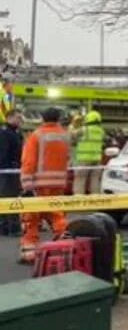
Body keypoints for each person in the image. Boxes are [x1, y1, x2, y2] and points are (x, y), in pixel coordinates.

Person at [18, 107, 71, 264]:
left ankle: (30, 252)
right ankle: (64, 245)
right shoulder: (64, 136)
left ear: (42, 118)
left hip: (39, 183)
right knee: (56, 213)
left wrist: (26, 183)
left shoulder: (37, 135)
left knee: (32, 217)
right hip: (58, 182)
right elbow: (67, 158)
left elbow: (29, 161)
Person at [0, 110, 23, 237]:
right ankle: (11, 227)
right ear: (9, 117)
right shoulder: (5, 133)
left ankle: (6, 227)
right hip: (7, 171)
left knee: (10, 197)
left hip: (13, 170)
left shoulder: (15, 133)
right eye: (18, 118)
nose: (20, 120)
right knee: (8, 198)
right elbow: (3, 153)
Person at [72, 109, 106, 196]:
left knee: (80, 179)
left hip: (84, 159)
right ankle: (95, 198)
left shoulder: (84, 130)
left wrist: (74, 124)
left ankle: (78, 199)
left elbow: (72, 136)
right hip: (96, 159)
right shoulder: (101, 131)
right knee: (95, 179)